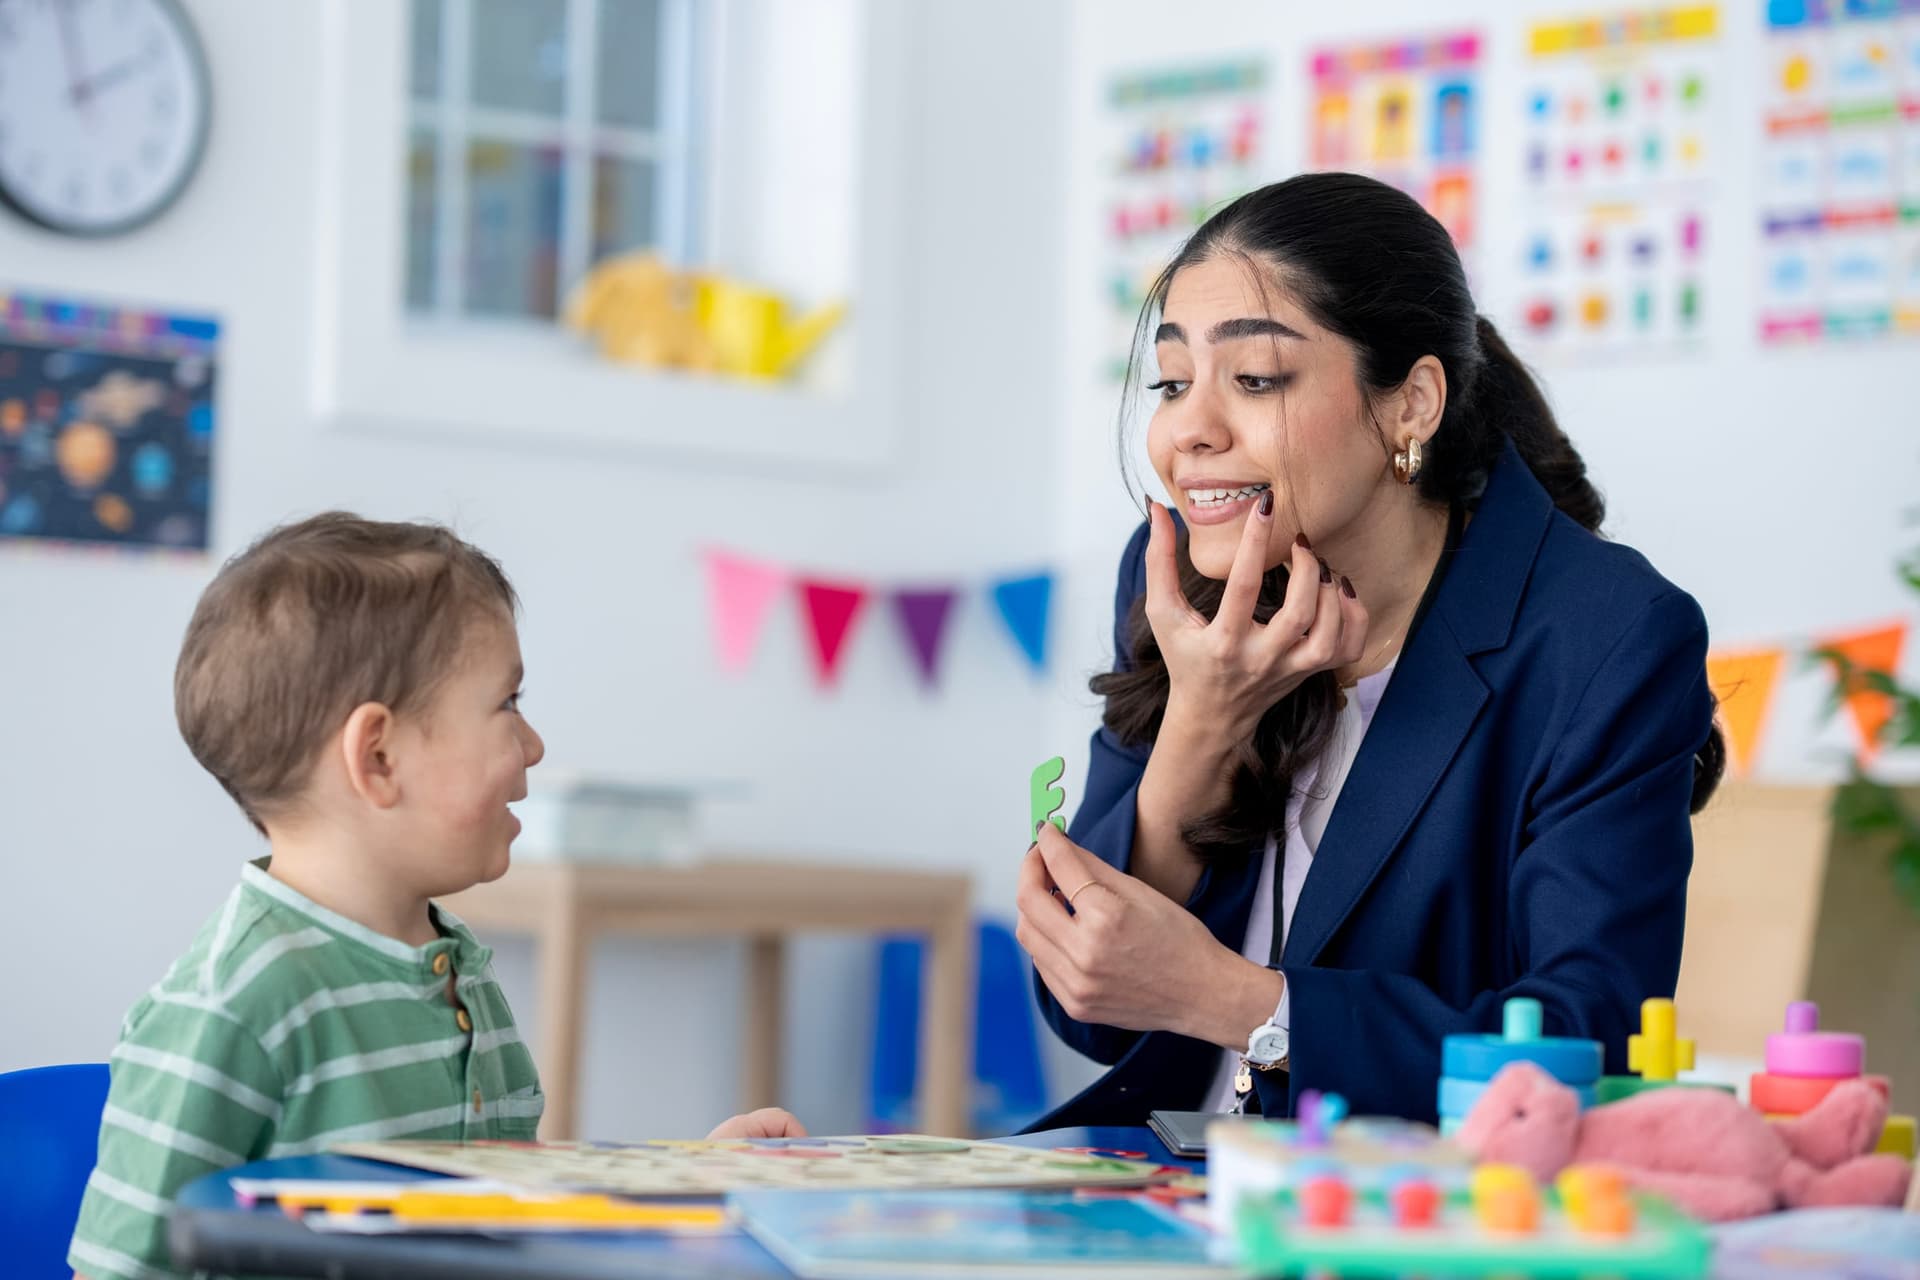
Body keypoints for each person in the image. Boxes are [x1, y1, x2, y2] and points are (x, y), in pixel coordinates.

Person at [1015, 172, 1723, 1127]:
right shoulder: (1178, 575)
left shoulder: (1606, 633)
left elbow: (1583, 1046)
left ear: (1412, 405)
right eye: (1174, 381)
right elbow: (1087, 1008)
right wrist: (1201, 723)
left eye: (1256, 379)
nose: (1188, 429)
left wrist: (1235, 1002)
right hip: (1158, 1189)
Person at [70, 513, 804, 1280]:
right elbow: (118, 1268)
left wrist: (687, 1187)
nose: (534, 744)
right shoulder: (232, 1005)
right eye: (508, 702)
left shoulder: (457, 970)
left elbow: (503, 1220)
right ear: (379, 756)